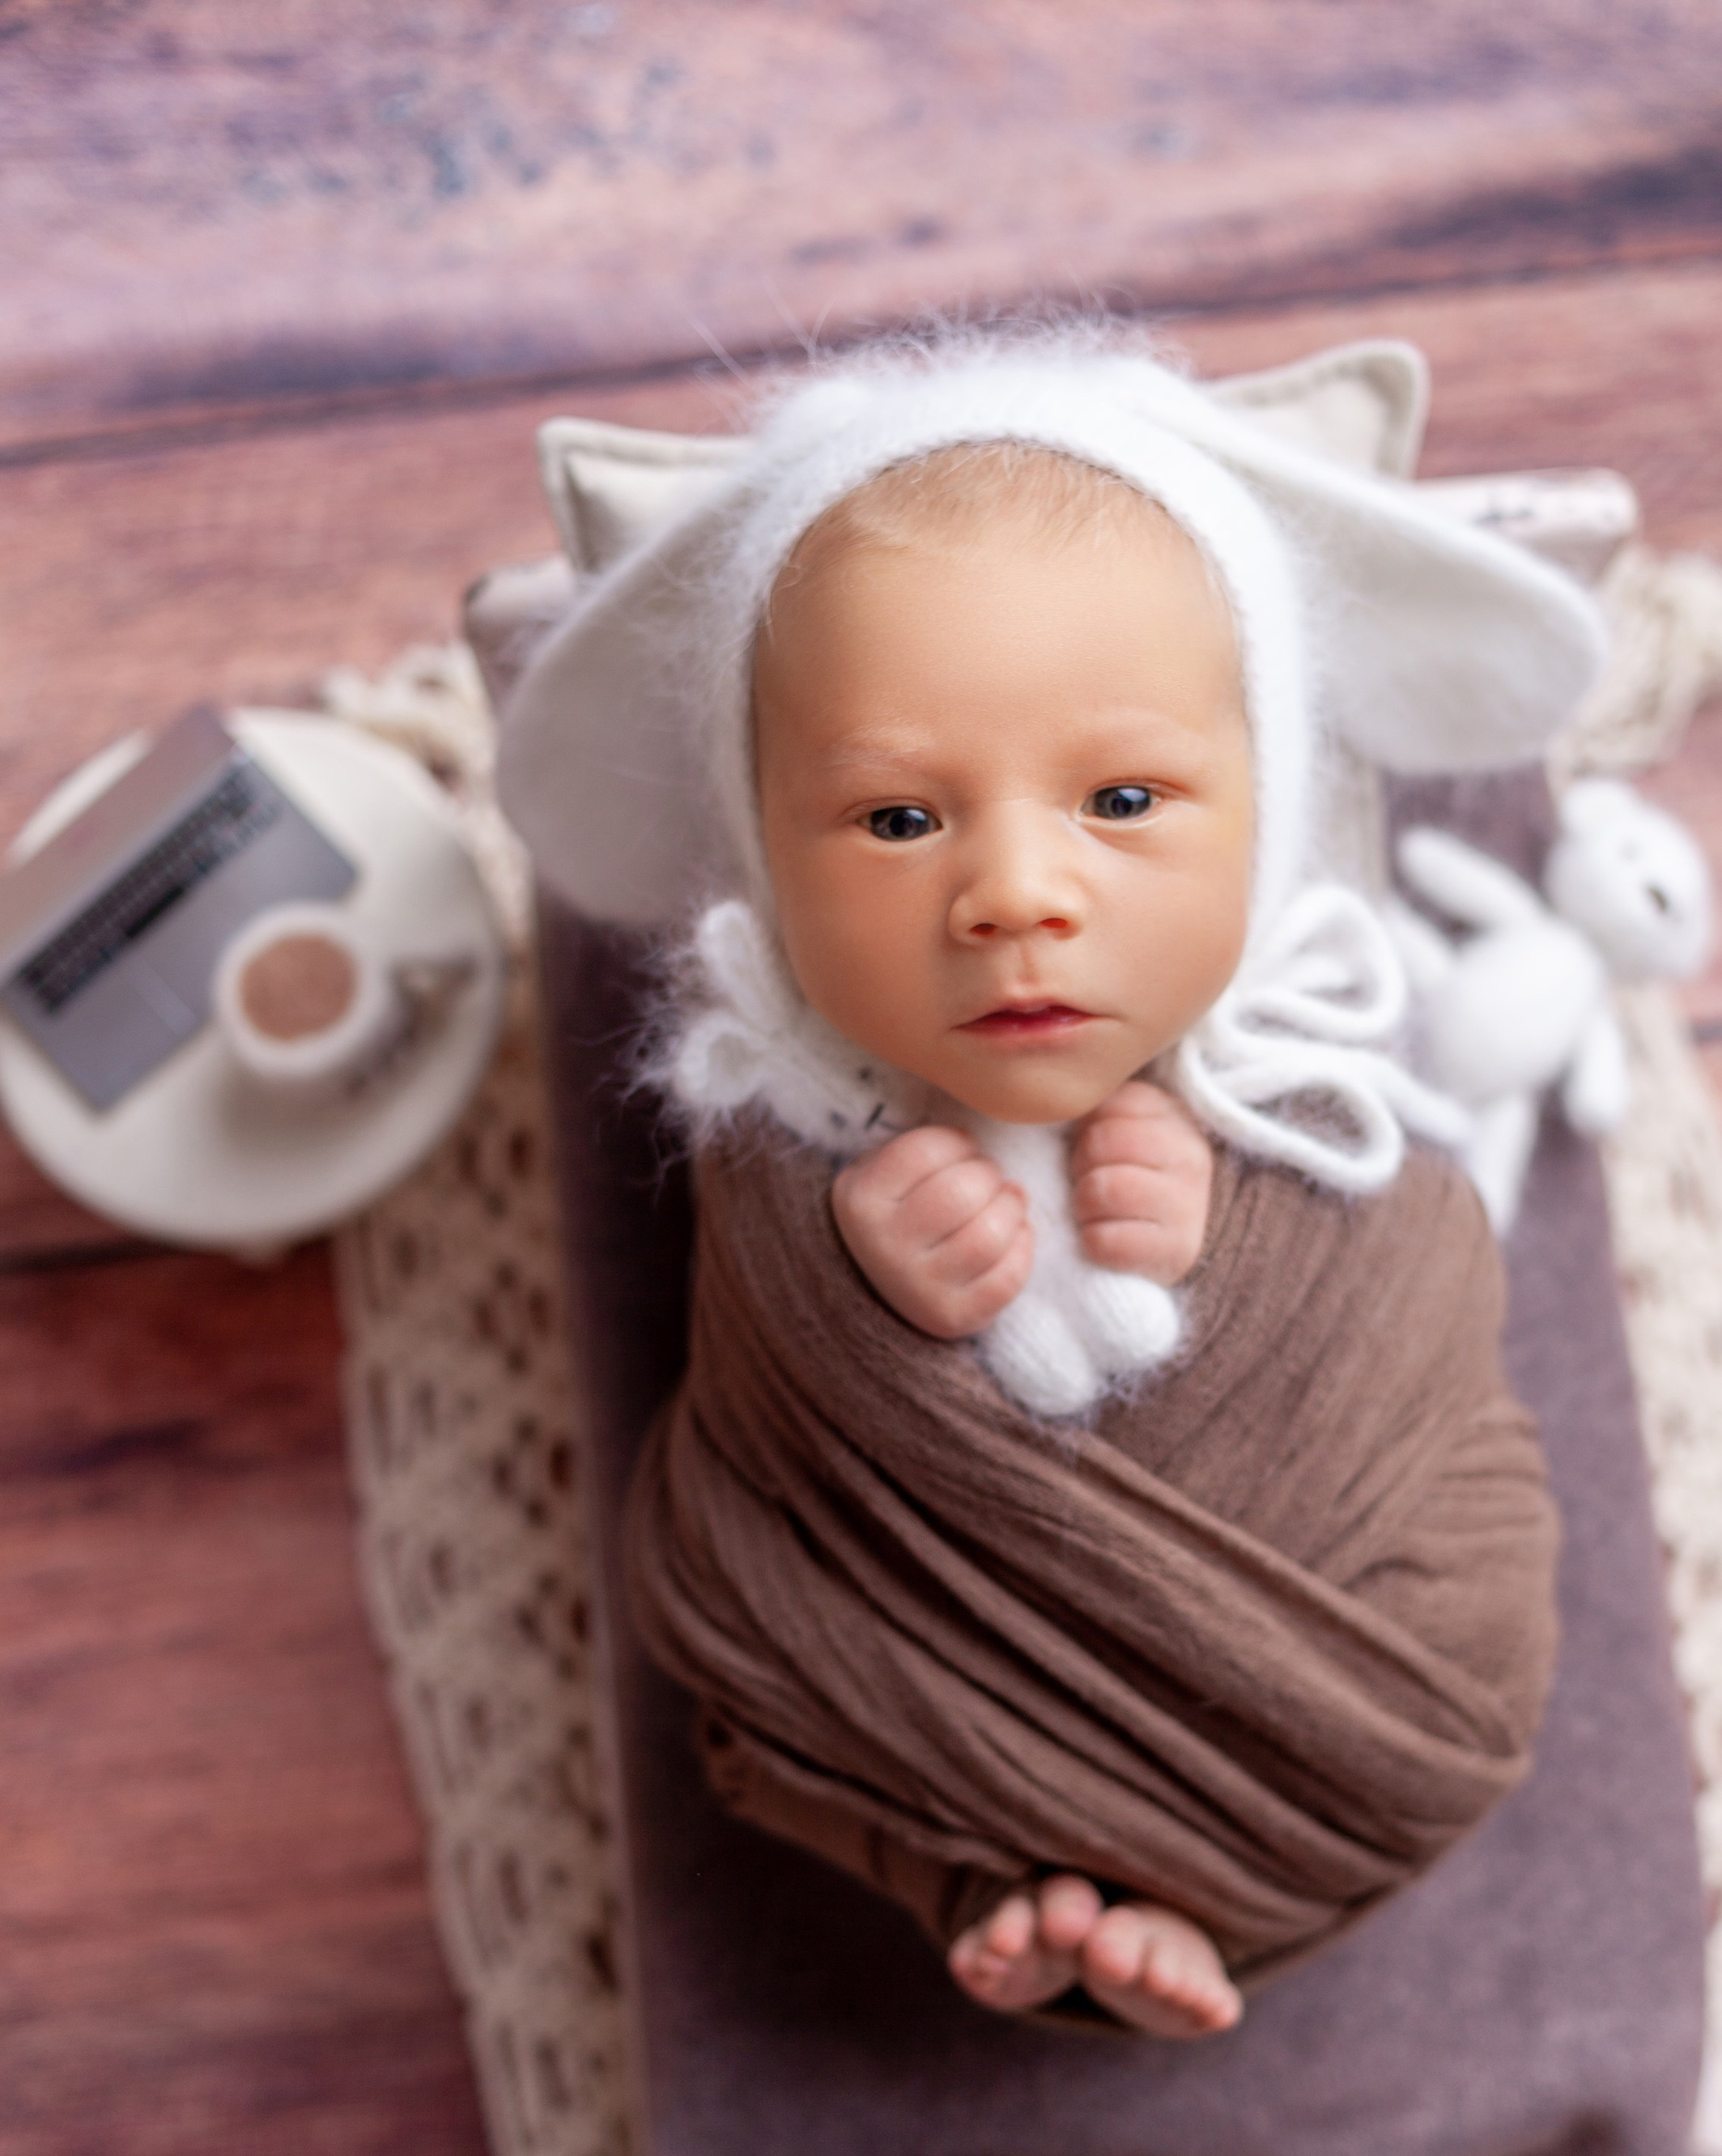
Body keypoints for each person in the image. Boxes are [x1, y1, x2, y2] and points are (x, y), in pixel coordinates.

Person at [572, 333, 1607, 2039]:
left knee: (1476, 1613)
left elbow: (1420, 1274)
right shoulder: (795, 1138)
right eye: (898, 820)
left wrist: (1243, 1237)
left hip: (1360, 1695)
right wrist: (848, 1289)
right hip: (930, 1680)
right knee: (763, 1682)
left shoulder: (1296, 1082)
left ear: (1263, 823)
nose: (1014, 892)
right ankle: (1000, 1886)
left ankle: (1087, 1889)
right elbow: (762, 1447)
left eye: (1121, 799)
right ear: (763, 860)